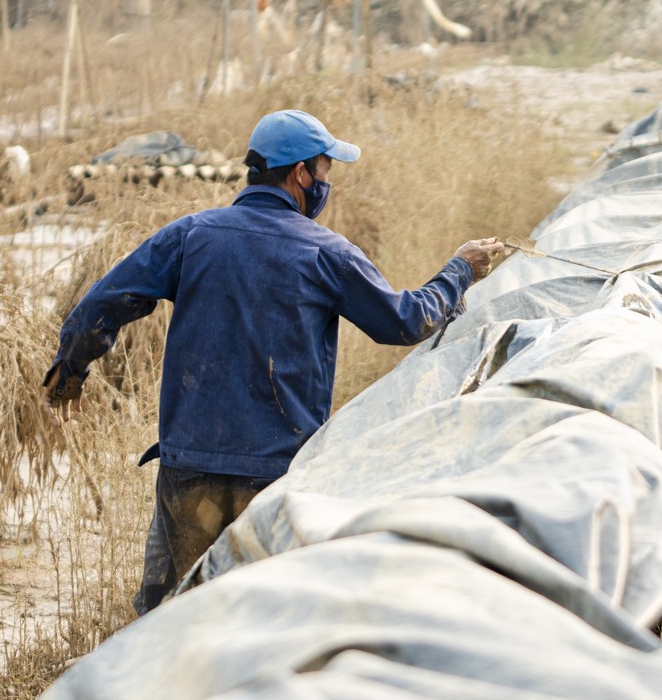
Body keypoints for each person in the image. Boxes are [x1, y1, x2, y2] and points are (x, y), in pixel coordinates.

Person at [43, 109, 508, 615]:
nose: (328, 183)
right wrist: (459, 271)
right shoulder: (326, 253)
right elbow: (404, 321)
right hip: (277, 477)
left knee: (169, 620)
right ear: (299, 174)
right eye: (326, 171)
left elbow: (101, 305)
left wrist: (70, 369)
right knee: (268, 618)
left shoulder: (190, 236)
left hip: (189, 470)